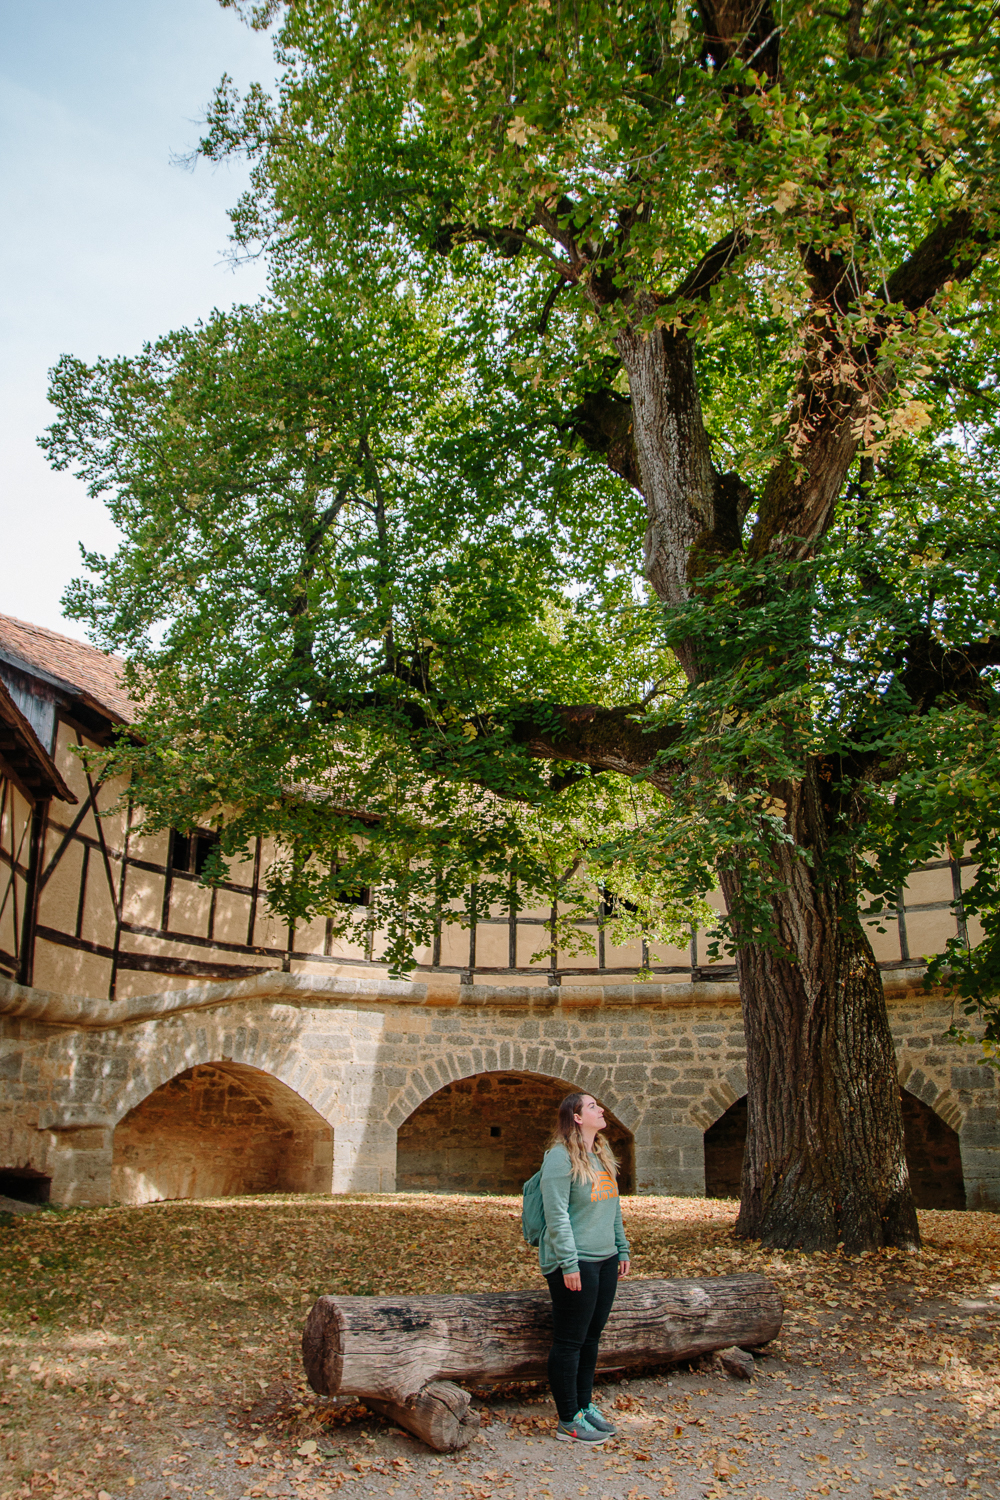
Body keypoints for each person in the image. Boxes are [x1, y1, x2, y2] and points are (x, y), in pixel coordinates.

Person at [538, 1092, 630, 1444]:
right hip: (575, 1262)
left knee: (591, 1337)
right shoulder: (559, 1159)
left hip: (605, 1259)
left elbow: (612, 1206)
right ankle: (567, 1420)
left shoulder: (600, 1154)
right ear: (576, 1117)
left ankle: (584, 1406)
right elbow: (556, 1214)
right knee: (570, 1340)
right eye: (592, 1107)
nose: (601, 1109)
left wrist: (621, 1247)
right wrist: (568, 1262)